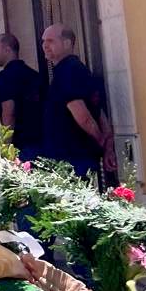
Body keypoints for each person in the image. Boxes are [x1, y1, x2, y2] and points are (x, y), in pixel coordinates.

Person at [40, 24, 105, 179]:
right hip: (72, 156)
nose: (45, 46)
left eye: (50, 41)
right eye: (43, 41)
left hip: (73, 157)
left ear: (67, 43)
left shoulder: (69, 71)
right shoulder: (71, 69)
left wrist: (101, 142)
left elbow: (83, 116)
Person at [0, 32, 43, 162]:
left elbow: (9, 112)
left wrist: (6, 147)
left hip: (20, 145)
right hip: (41, 140)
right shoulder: (35, 75)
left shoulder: (4, 77)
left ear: (7, 50)